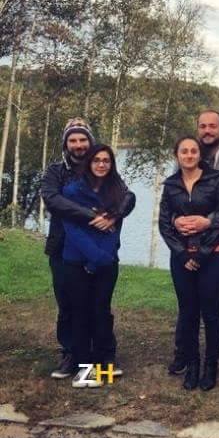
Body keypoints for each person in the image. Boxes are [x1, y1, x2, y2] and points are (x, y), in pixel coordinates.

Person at [41, 118, 135, 379]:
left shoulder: (101, 169)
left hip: (101, 249)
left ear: (90, 142)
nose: (78, 145)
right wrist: (90, 215)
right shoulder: (56, 172)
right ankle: (72, 354)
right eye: (73, 140)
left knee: (100, 305)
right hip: (64, 247)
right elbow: (52, 199)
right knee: (68, 305)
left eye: (83, 139)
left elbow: (127, 196)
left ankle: (104, 357)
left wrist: (114, 215)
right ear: (66, 144)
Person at [169, 110, 219, 378]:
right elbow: (173, 197)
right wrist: (175, 220)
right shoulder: (188, 156)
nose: (207, 130)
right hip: (191, 243)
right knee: (188, 303)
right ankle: (184, 353)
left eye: (212, 126)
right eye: (202, 126)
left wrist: (208, 221)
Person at [61, 144, 135, 388]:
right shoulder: (72, 191)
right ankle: (86, 371)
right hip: (77, 261)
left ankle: (106, 365)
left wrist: (101, 259)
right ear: (89, 163)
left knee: (102, 312)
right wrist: (94, 258)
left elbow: (114, 231)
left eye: (106, 160)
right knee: (81, 313)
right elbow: (72, 229)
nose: (102, 164)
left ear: (111, 164)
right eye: (97, 160)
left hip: (106, 262)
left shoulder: (117, 192)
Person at [159, 135, 219, 391]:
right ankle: (192, 364)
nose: (189, 155)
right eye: (184, 151)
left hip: (212, 256)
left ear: (200, 154)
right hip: (181, 259)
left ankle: (211, 365)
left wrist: (202, 253)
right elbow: (164, 223)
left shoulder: (216, 180)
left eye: (193, 151)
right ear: (176, 155)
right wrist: (181, 254)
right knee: (188, 312)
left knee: (211, 313)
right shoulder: (170, 185)